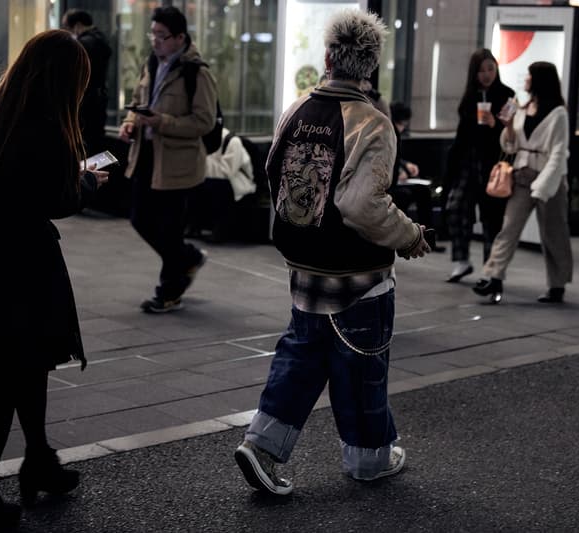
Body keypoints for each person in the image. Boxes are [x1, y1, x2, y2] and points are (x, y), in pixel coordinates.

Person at [233, 9, 430, 495]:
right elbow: (363, 204)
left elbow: (274, 171)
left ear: (327, 57)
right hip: (356, 274)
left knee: (300, 357)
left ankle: (261, 445)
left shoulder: (297, 108)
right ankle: (369, 459)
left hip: (304, 267)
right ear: (371, 66)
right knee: (361, 366)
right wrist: (408, 235)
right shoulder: (371, 122)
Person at [0, 30, 108, 532]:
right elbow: (57, 200)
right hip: (21, 268)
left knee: (24, 369)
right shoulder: (45, 126)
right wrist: (87, 181)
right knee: (5, 384)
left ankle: (39, 460)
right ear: (62, 80)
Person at [118, 6, 217, 313]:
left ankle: (169, 292)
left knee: (169, 228)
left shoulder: (196, 73)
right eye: (153, 34)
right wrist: (131, 122)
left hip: (179, 164)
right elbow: (137, 102)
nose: (155, 41)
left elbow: (204, 122)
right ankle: (188, 258)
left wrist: (161, 122)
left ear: (180, 38)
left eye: (162, 36)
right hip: (146, 156)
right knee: (140, 219)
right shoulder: (151, 63)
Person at [473, 61, 573, 303]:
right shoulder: (520, 106)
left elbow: (558, 154)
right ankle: (493, 277)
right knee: (508, 228)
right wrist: (507, 127)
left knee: (553, 234)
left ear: (539, 80)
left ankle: (557, 284)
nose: (525, 80)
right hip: (521, 176)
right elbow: (510, 145)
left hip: (550, 180)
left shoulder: (559, 113)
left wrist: (543, 187)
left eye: (529, 76)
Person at [444, 48, 515, 282]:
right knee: (456, 208)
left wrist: (495, 124)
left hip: (493, 164)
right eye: (481, 70)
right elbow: (462, 135)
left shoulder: (508, 95)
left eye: (490, 69)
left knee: (491, 219)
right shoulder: (470, 97)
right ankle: (461, 260)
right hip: (468, 161)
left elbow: (513, 135)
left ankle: (490, 270)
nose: (486, 74)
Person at [388, 101, 443, 251]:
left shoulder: (394, 132)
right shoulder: (388, 132)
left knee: (423, 191)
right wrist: (399, 170)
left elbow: (396, 158)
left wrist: (405, 166)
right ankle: (402, 237)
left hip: (397, 181)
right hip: (388, 184)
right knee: (406, 195)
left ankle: (428, 237)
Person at [188, 127, 256, 242]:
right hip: (214, 179)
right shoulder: (200, 140)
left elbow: (227, 172)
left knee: (216, 186)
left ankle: (220, 230)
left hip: (238, 182)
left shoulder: (232, 141)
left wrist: (202, 160)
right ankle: (194, 226)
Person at [62, 9, 112, 154]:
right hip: (98, 101)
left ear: (77, 25)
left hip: (85, 103)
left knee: (84, 145)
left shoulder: (83, 45)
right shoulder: (101, 40)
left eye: (67, 28)